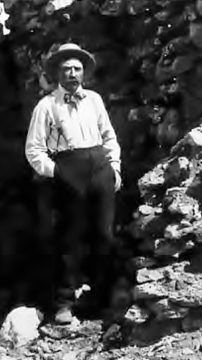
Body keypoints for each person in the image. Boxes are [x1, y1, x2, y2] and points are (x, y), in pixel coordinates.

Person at [25, 43, 122, 324]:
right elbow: (34, 150)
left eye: (76, 68)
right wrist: (57, 172)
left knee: (104, 234)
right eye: (66, 68)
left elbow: (109, 136)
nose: (71, 73)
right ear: (57, 73)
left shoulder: (94, 100)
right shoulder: (46, 106)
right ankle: (65, 303)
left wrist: (114, 168)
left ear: (84, 73)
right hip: (68, 171)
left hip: (100, 168)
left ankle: (104, 296)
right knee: (71, 237)